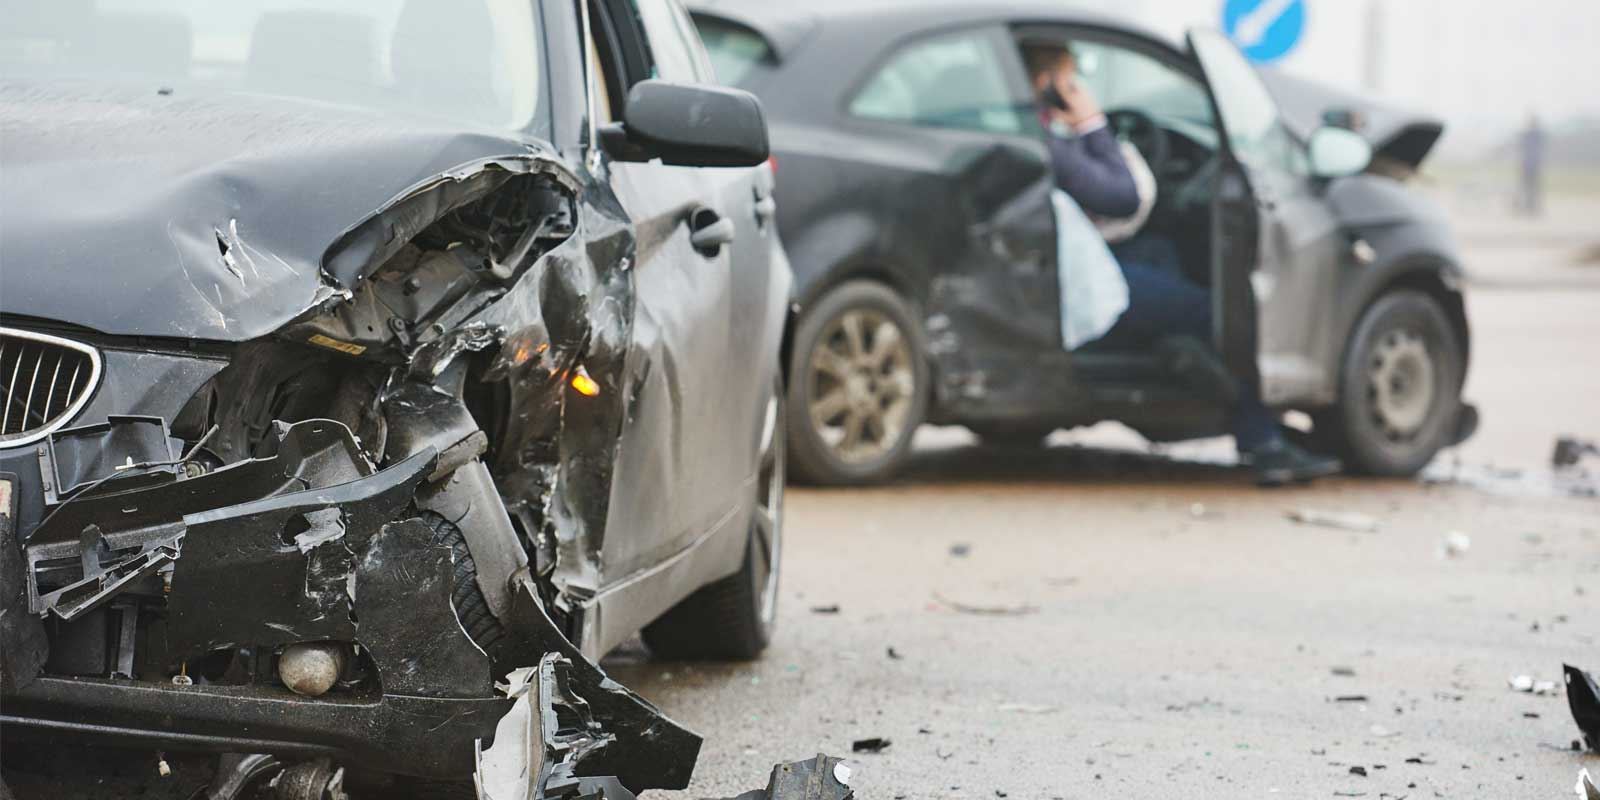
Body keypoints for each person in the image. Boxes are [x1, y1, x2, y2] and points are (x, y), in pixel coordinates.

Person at [1022, 41, 1342, 486]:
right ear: (1047, 84)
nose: (1077, 90)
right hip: (1067, 280)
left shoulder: (1029, 134)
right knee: (1213, 311)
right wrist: (1093, 124)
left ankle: (1173, 357)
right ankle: (1261, 438)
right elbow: (1122, 196)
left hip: (1063, 262)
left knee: (1161, 254)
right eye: (1070, 82)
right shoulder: (1044, 143)